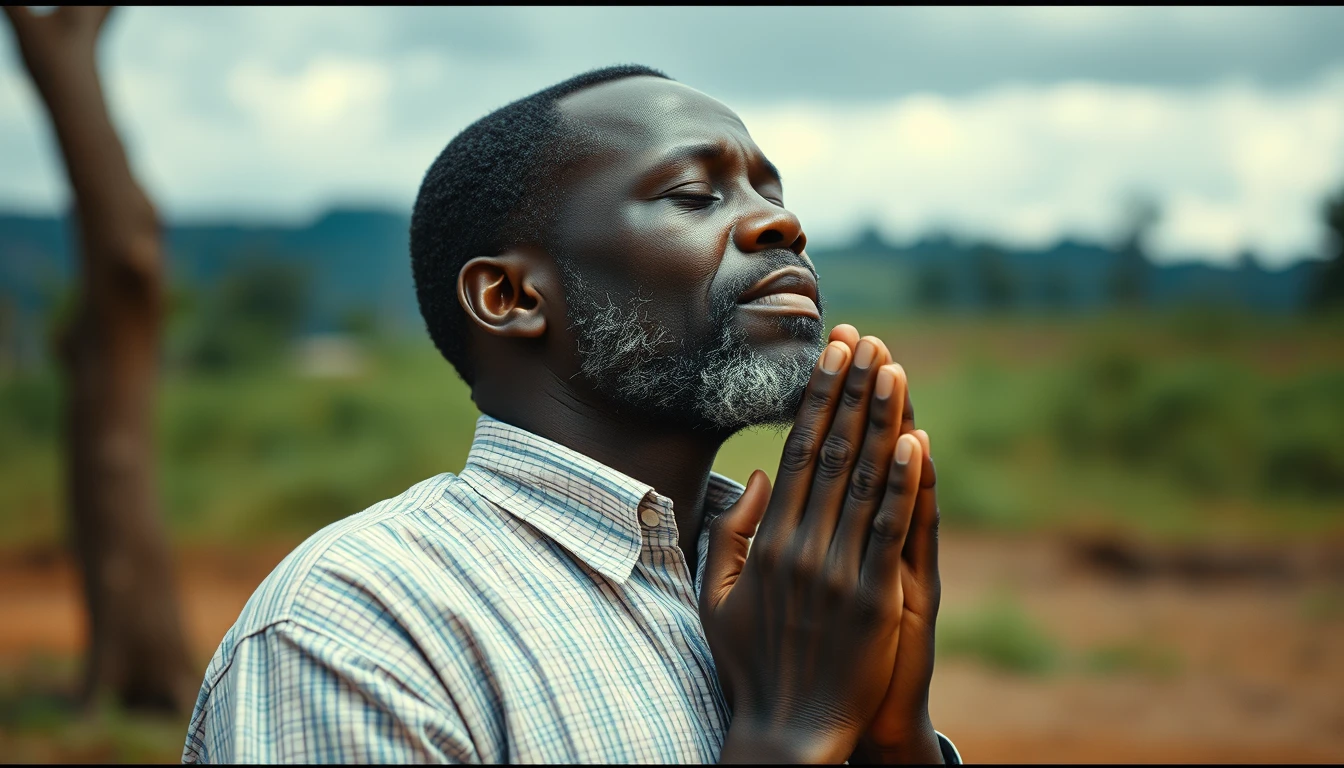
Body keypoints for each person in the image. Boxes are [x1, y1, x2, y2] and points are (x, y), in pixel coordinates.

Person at [183, 64, 960, 764]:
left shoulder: (805, 590)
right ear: (512, 297)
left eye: (774, 196)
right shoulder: (358, 628)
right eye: (694, 195)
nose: (780, 225)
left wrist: (895, 743)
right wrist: (795, 733)